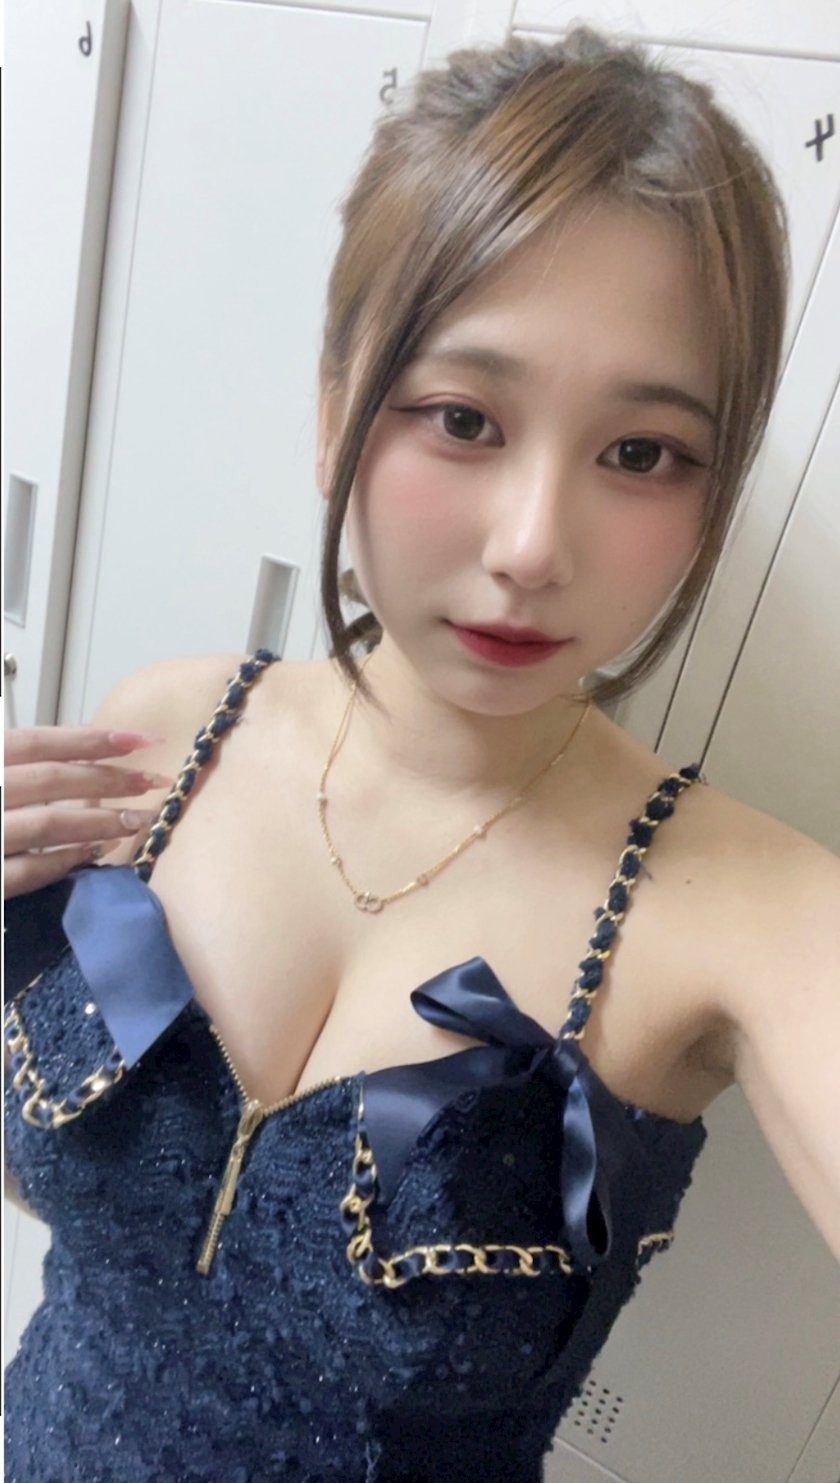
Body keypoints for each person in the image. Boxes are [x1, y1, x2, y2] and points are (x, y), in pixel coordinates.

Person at [4, 26, 839, 1483]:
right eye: (464, 418)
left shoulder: (752, 917)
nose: (532, 546)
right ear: (337, 412)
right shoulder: (165, 735)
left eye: (641, 453)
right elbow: (77, 1210)